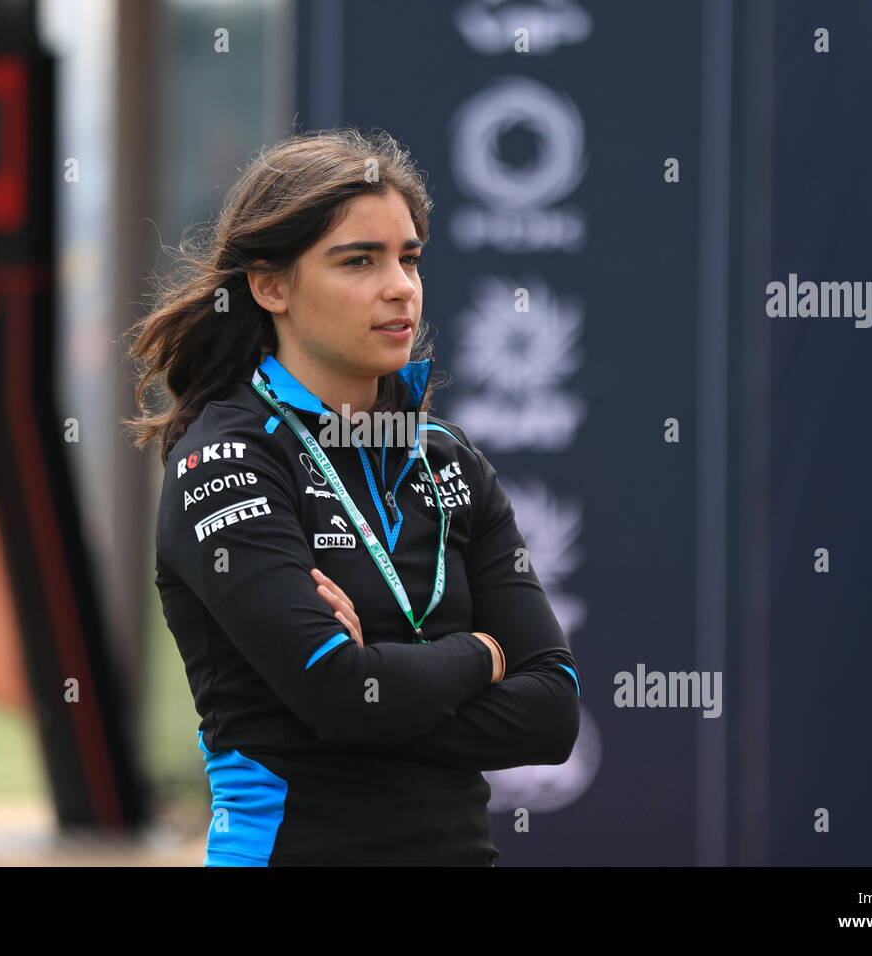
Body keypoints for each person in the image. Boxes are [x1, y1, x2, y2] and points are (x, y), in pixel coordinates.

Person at [127, 127, 581, 866]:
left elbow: (553, 714)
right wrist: (482, 654)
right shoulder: (226, 459)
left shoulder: (449, 457)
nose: (399, 285)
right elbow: (343, 692)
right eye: (359, 261)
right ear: (270, 286)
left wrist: (371, 692)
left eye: (408, 258)